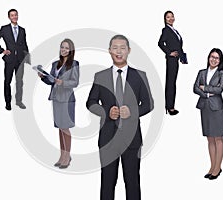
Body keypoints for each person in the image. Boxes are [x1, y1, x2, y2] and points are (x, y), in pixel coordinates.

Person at [86, 35, 153, 200]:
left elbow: (149, 103)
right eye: (115, 47)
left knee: (133, 183)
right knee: (107, 183)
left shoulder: (140, 76)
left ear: (128, 51)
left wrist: (132, 111)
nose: (119, 51)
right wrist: (106, 112)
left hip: (132, 140)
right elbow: (91, 102)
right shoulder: (100, 76)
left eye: (122, 47)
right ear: (109, 51)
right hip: (108, 140)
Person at [40, 38, 79, 169]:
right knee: (60, 128)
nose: (64, 50)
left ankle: (67, 156)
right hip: (56, 98)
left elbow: (75, 82)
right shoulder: (55, 64)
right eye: (62, 47)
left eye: (66, 48)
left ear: (71, 50)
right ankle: (62, 155)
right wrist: (43, 77)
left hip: (67, 99)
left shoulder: (74, 64)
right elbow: (51, 81)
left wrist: (63, 83)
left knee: (65, 128)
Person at [193, 48, 223, 180]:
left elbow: (219, 89)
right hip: (205, 107)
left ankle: (218, 168)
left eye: (217, 58)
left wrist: (204, 88)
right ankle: (212, 166)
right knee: (209, 138)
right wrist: (207, 93)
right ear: (208, 58)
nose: (213, 59)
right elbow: (195, 88)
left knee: (218, 138)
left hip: (217, 108)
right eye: (212, 57)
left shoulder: (222, 73)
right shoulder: (201, 72)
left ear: (220, 61)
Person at [0, 8, 29, 110]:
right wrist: (2, 51)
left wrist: (27, 58)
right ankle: (8, 102)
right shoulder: (4, 29)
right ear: (9, 17)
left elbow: (25, 44)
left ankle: (19, 101)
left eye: (16, 15)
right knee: (7, 81)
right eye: (12, 15)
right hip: (9, 59)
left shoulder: (22, 30)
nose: (14, 17)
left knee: (19, 81)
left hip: (20, 60)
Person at [158, 10, 187, 115]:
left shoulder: (174, 30)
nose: (170, 18)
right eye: (168, 17)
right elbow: (160, 43)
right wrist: (169, 52)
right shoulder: (166, 30)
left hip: (176, 59)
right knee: (170, 83)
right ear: (165, 20)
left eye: (172, 16)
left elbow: (178, 45)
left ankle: (170, 105)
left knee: (173, 82)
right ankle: (170, 107)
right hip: (171, 60)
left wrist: (182, 56)